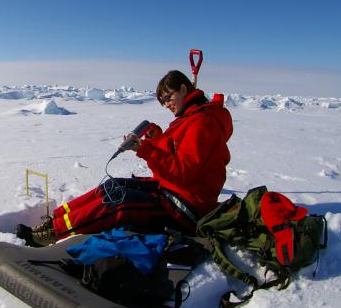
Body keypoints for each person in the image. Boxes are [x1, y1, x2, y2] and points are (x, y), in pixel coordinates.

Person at [15, 70, 233, 247]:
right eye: (162, 101)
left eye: (168, 97)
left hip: (186, 206)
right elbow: (178, 150)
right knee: (112, 186)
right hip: (171, 190)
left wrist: (146, 150)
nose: (167, 104)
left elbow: (183, 171)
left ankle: (53, 234)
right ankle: (56, 220)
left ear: (184, 89)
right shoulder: (190, 117)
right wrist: (158, 137)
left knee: (119, 203)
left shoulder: (202, 122)